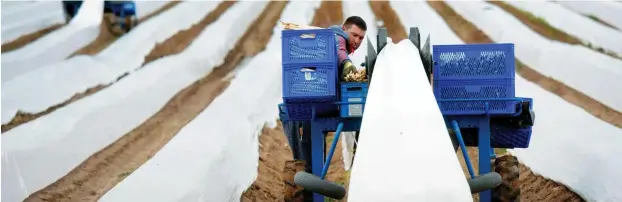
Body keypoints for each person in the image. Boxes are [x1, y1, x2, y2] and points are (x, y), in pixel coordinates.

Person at [327, 16, 367, 80]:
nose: (357, 41)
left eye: (360, 38)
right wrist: (346, 62)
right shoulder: (337, 36)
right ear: (343, 28)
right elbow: (339, 48)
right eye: (354, 35)